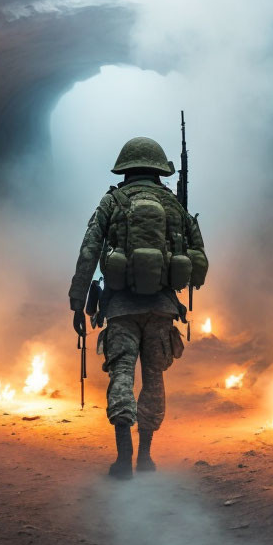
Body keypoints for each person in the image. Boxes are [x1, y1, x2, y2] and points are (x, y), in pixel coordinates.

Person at [68, 136, 207, 479]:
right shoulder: (174, 206)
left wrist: (77, 301)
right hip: (161, 307)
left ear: (126, 168)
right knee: (154, 378)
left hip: (119, 307)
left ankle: (122, 458)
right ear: (160, 170)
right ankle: (145, 455)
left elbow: (89, 251)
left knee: (122, 374)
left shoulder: (111, 201)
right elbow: (197, 256)